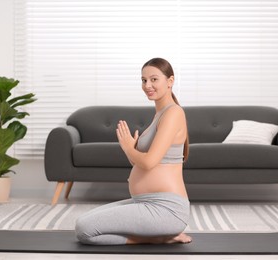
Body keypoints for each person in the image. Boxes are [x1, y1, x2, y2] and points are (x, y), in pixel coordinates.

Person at [75, 57, 191, 245]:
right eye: (144, 80)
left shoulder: (174, 113)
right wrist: (130, 149)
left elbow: (148, 162)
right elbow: (141, 163)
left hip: (166, 209)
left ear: (170, 81)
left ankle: (156, 238)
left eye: (154, 79)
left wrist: (129, 147)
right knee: (86, 219)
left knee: (84, 230)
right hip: (145, 202)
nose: (147, 85)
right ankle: (158, 236)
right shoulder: (159, 115)